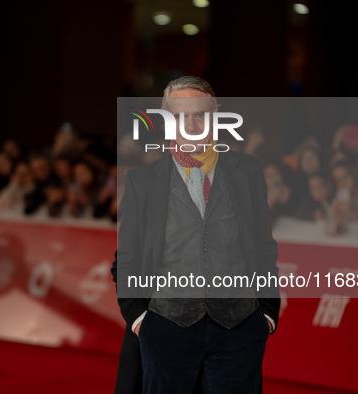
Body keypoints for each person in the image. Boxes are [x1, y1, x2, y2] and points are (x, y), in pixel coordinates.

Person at [111, 76, 279, 394]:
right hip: (164, 327)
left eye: (199, 115)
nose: (190, 125)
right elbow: (127, 258)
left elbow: (262, 246)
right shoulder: (142, 182)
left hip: (240, 329)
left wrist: (267, 314)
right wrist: (139, 320)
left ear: (215, 116)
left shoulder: (248, 171)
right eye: (179, 116)